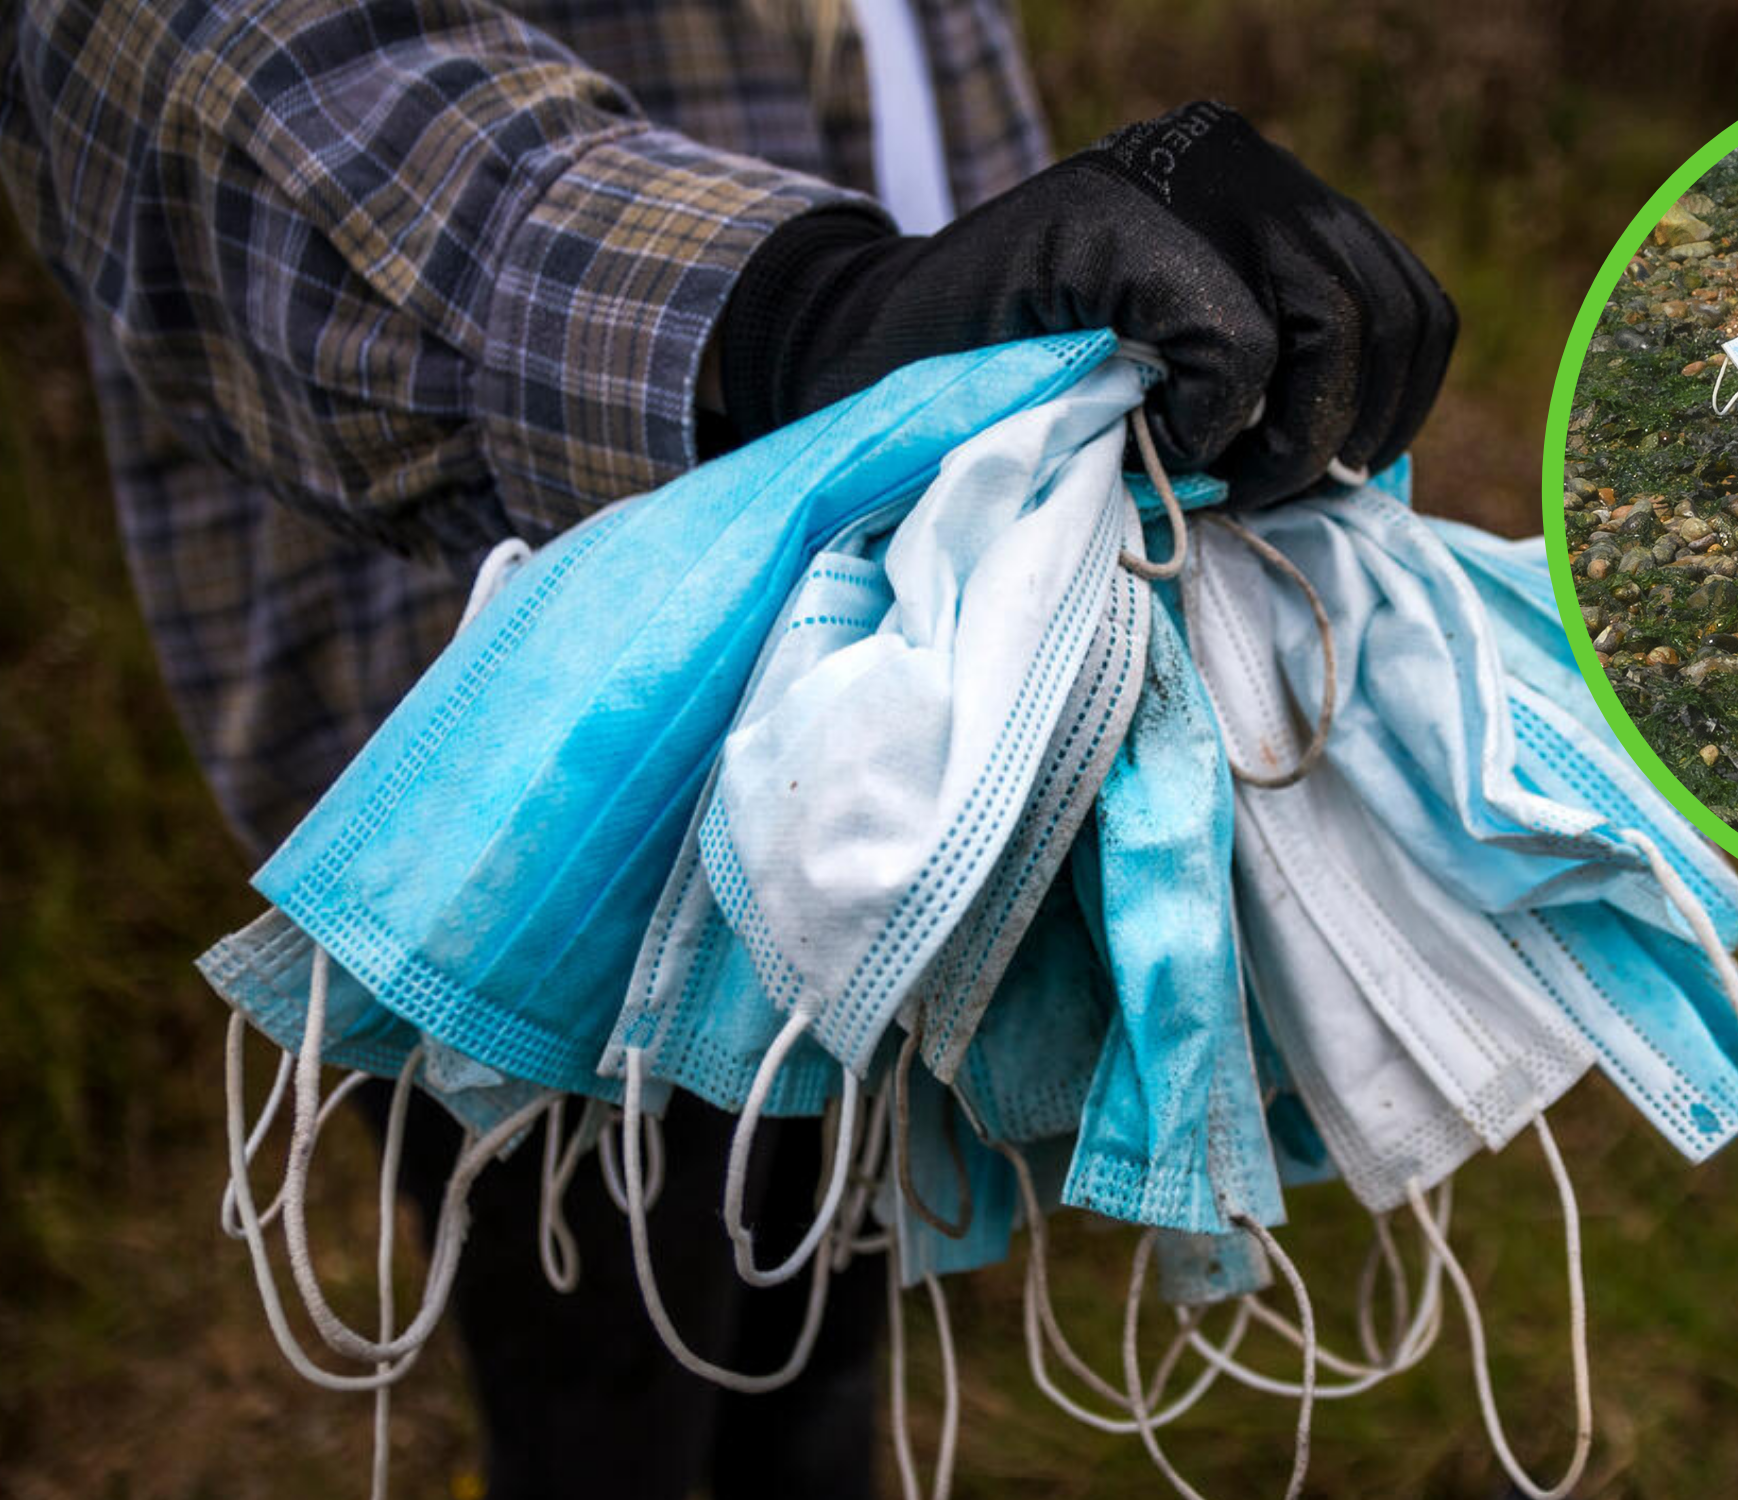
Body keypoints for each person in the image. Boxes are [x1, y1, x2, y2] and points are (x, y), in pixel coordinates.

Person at [0, 2, 1456, 1495]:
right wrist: (794, 318)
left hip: (894, 786)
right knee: (609, 1400)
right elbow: (189, 62)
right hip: (553, 821)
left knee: (820, 1366)